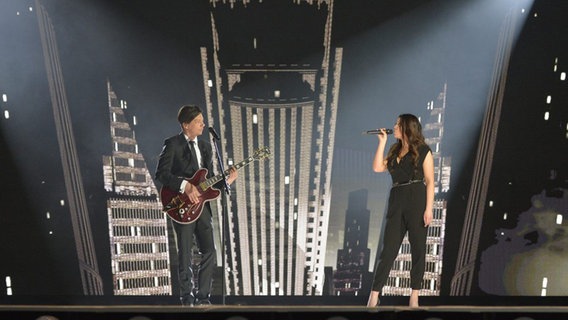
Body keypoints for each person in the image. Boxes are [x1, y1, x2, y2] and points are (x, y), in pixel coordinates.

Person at [155, 105, 237, 306]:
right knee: (185, 252)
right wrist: (185, 186)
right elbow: (162, 174)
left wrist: (228, 180)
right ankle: (186, 298)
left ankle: (203, 297)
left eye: (202, 120)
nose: (203, 124)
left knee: (209, 251)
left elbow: (206, 183)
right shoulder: (172, 144)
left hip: (202, 208)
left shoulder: (207, 147)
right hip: (181, 206)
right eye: (198, 121)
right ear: (185, 125)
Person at [367, 114, 434, 308]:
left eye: (397, 124)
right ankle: (374, 295)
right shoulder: (394, 149)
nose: (394, 126)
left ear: (407, 128)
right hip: (397, 199)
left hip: (417, 198)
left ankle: (414, 295)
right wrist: (382, 142)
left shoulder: (423, 150)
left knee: (418, 249)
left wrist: (429, 208)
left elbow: (430, 181)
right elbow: (378, 167)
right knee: (388, 251)